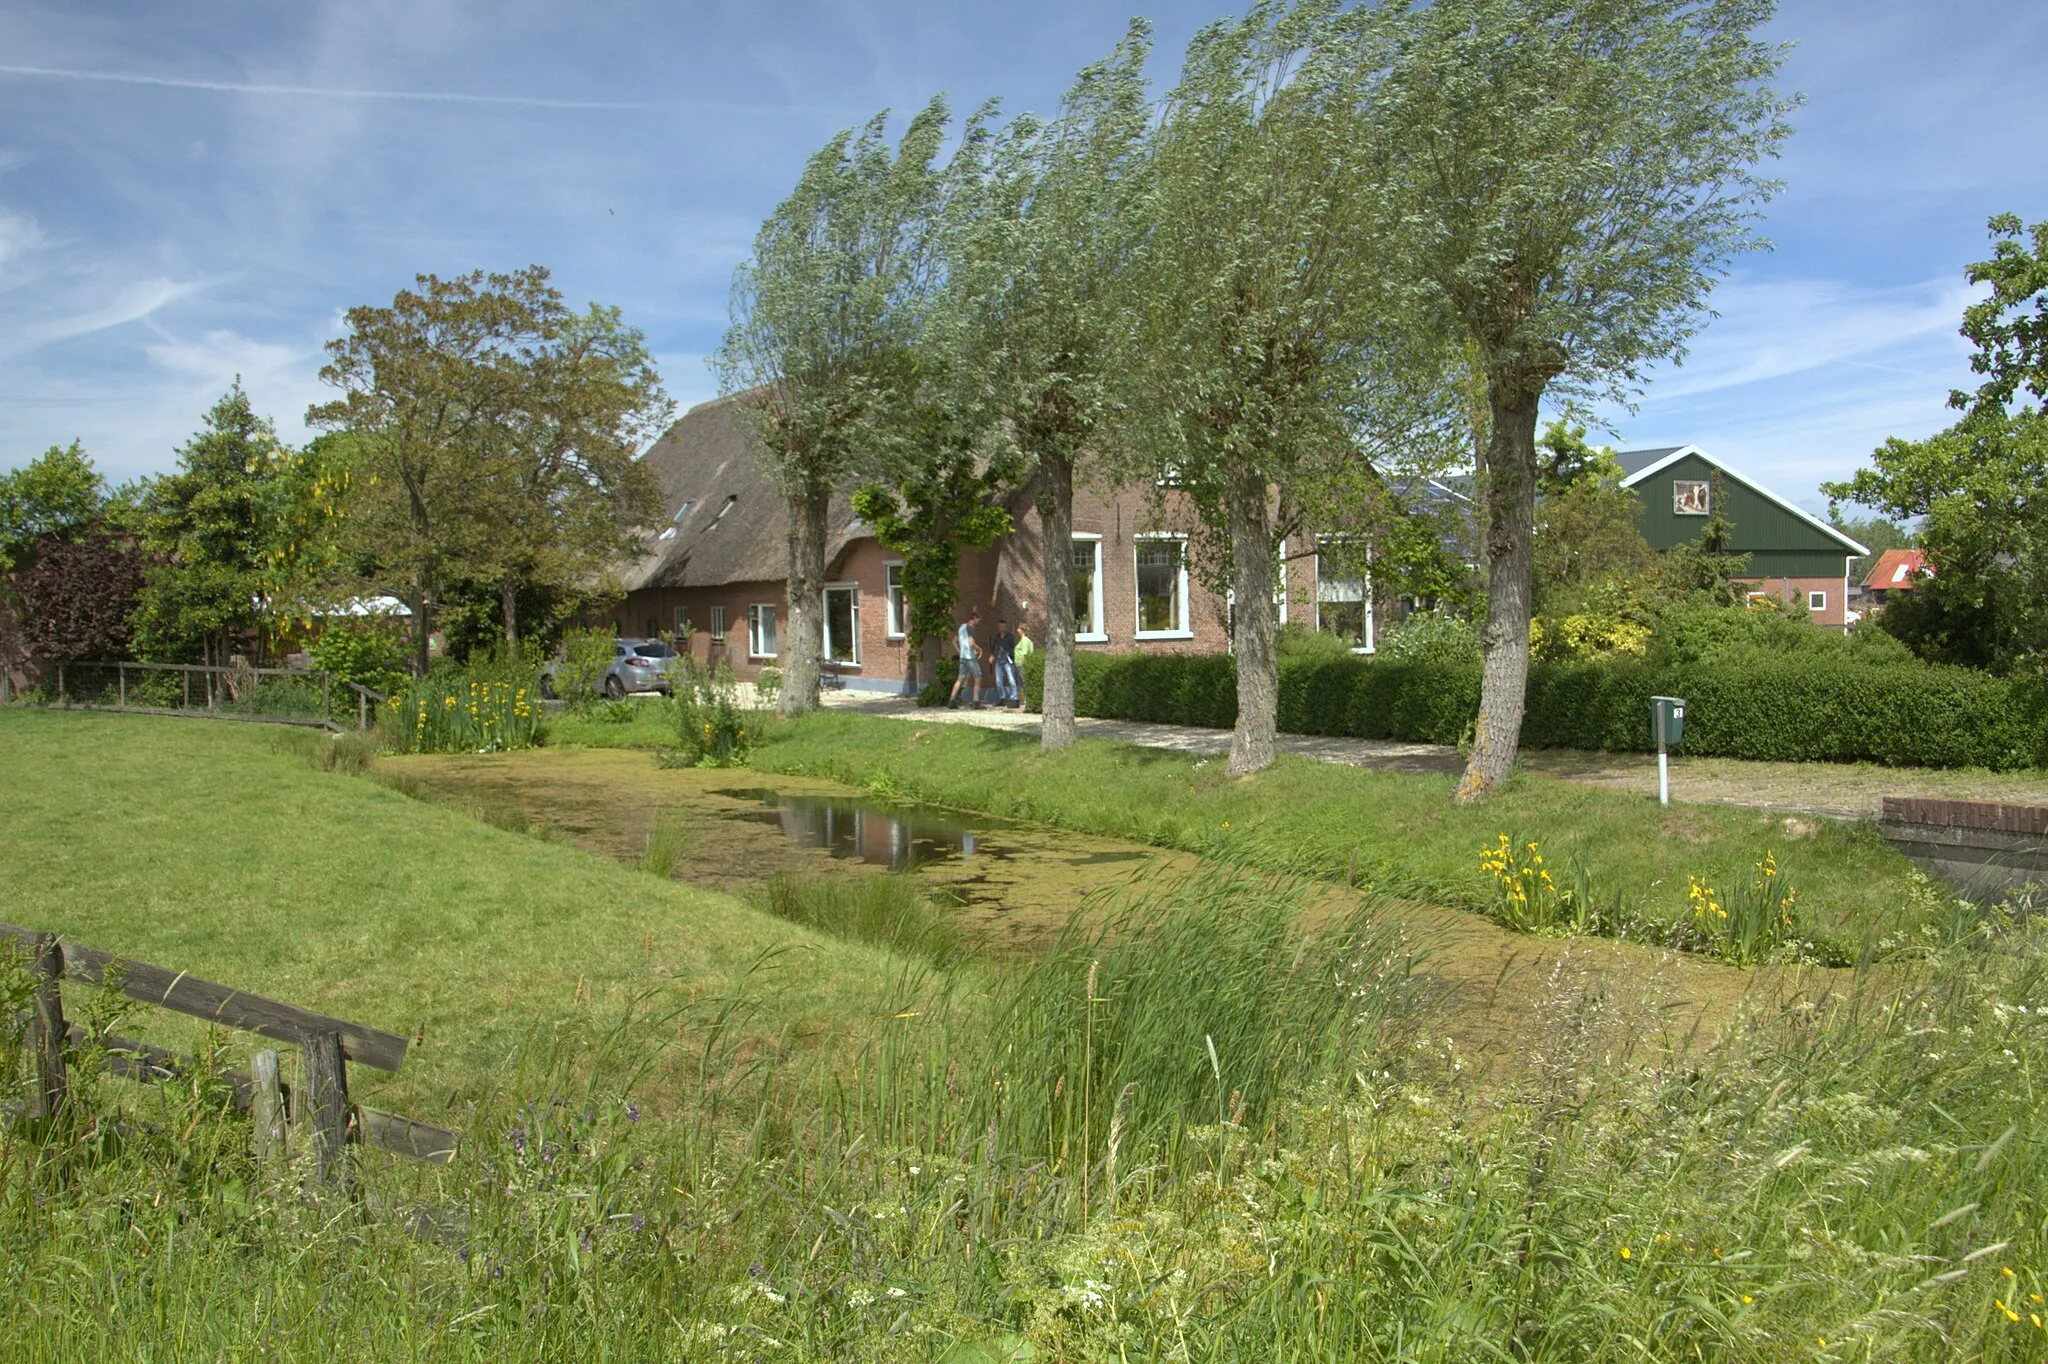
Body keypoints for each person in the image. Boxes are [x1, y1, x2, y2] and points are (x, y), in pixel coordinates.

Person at [948, 608, 983, 708]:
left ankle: (952, 701)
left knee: (960, 679)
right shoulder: (970, 628)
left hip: (963, 657)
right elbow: (971, 643)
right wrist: (980, 650)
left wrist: (960, 651)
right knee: (978, 677)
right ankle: (976, 701)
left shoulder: (961, 627)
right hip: (970, 657)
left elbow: (954, 641)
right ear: (974, 618)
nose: (978, 622)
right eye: (978, 620)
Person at [992, 617, 1020, 707]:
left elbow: (1014, 648)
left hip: (1008, 661)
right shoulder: (996, 636)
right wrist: (991, 655)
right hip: (999, 661)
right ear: (998, 627)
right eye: (1000, 627)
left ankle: (1014, 697)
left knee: (1011, 679)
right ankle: (1002, 697)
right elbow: (992, 646)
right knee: (998, 681)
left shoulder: (1010, 636)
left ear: (1006, 627)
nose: (1002, 628)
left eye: (1003, 627)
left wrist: (1013, 658)